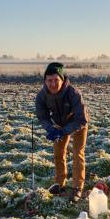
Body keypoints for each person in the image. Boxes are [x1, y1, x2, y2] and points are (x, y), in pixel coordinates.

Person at [35, 62, 89, 202]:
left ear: (62, 79)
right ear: (45, 81)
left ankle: (77, 187)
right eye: (49, 80)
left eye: (56, 80)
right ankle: (60, 183)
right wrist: (51, 129)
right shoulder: (42, 96)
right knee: (58, 153)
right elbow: (43, 117)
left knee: (78, 153)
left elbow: (81, 119)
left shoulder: (73, 93)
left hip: (78, 123)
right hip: (58, 124)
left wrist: (64, 131)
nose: (53, 84)